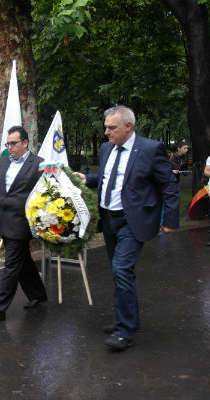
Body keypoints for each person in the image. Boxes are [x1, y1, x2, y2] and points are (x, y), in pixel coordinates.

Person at [75, 105, 179, 351]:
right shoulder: (106, 149)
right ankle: (130, 319)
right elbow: (109, 178)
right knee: (120, 271)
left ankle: (124, 331)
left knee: (121, 268)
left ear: (128, 126)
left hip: (134, 221)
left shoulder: (150, 149)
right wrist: (88, 179)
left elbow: (168, 186)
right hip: (108, 220)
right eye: (106, 128)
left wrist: (170, 220)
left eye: (112, 128)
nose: (106, 132)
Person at [0, 126, 48, 324]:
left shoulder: (39, 164)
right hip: (4, 220)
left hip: (22, 222)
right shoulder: (3, 162)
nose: (9, 147)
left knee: (11, 265)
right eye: (7, 144)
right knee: (23, 261)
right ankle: (38, 294)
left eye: (13, 143)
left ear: (25, 143)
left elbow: (45, 193)